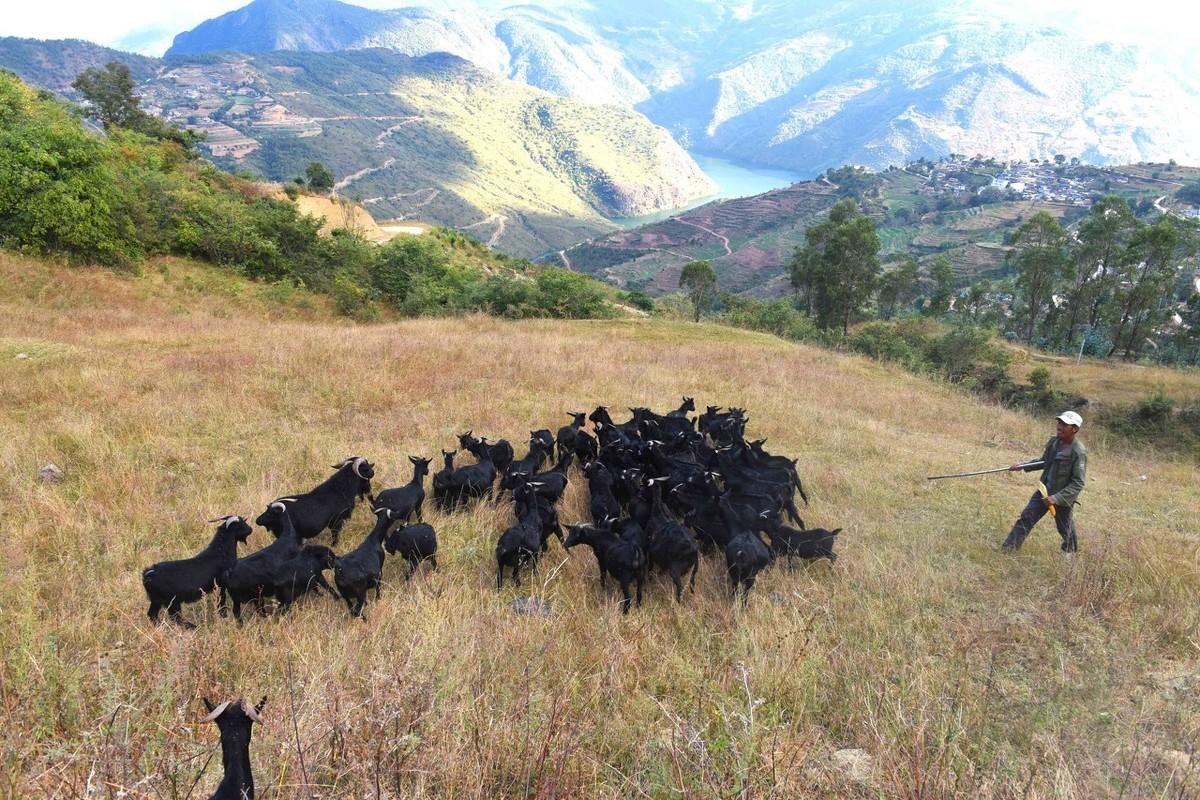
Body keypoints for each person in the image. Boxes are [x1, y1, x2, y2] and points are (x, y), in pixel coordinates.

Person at [1002, 411, 1087, 553]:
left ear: (1075, 429)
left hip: (1062, 497)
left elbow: (1078, 483)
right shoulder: (1054, 442)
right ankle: (1008, 549)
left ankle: (1070, 553)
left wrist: (1056, 498)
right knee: (1027, 517)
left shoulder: (1078, 452)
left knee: (1065, 528)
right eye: (1059, 422)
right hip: (1044, 491)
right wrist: (1022, 466)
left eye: (1065, 424)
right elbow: (1044, 462)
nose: (1060, 426)